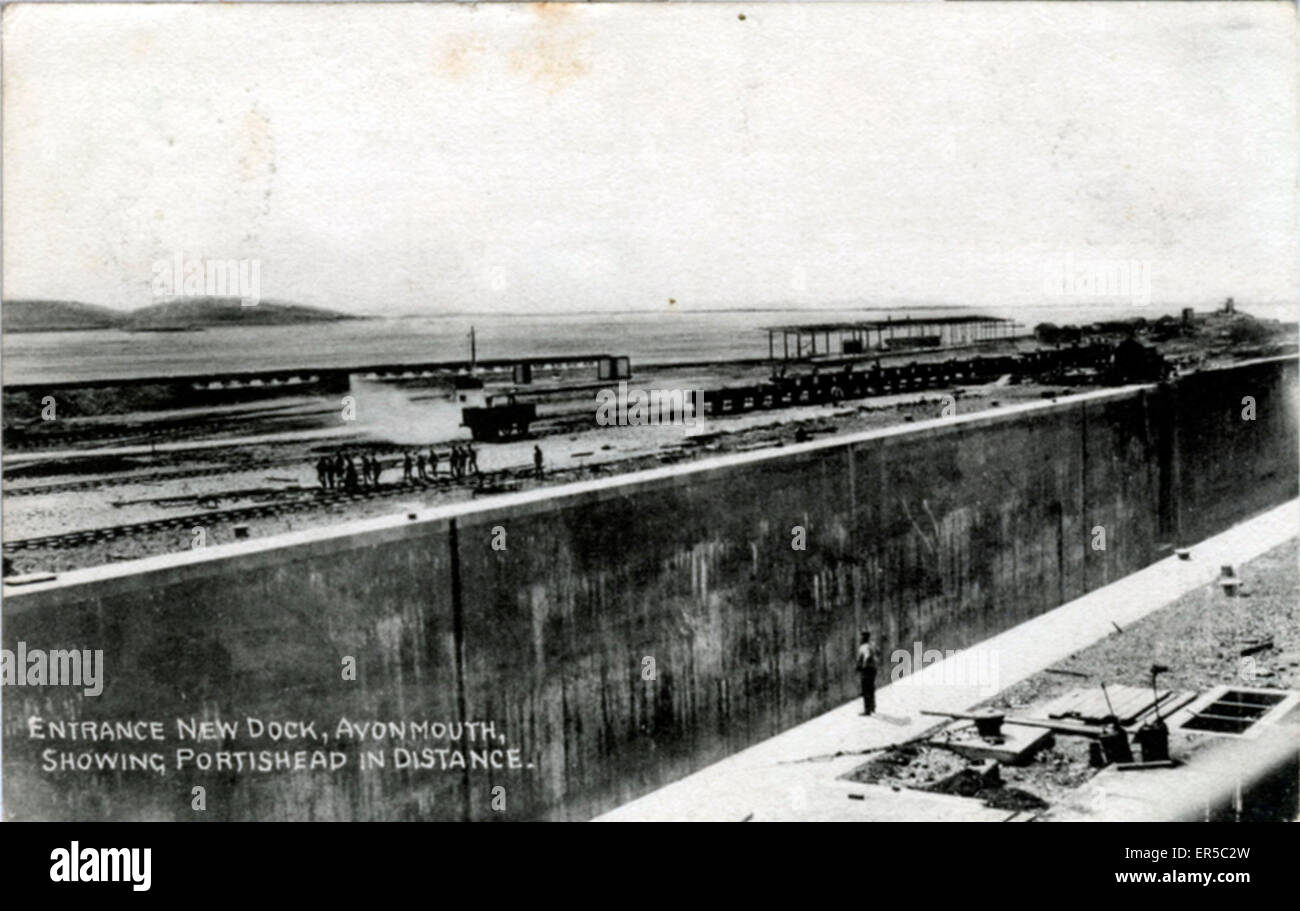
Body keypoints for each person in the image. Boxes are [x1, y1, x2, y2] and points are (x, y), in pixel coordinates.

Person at [856, 629, 877, 716]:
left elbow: (867, 656)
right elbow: (877, 652)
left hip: (866, 670)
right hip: (873, 669)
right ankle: (872, 707)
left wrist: (863, 665)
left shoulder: (864, 647)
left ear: (864, 638)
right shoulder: (872, 645)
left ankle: (867, 710)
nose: (860, 639)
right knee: (871, 688)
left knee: (866, 690)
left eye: (861, 637)